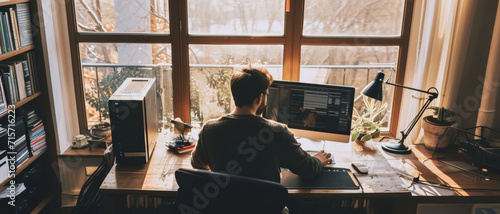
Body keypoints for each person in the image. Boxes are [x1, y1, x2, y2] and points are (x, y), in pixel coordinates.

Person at [191, 66, 332, 183]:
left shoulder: (209, 129)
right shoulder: (278, 132)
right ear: (260, 97)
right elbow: (308, 170)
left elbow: (197, 164)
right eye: (267, 94)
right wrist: (318, 160)